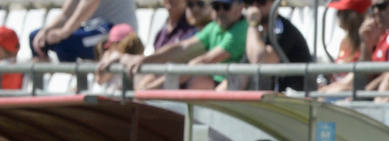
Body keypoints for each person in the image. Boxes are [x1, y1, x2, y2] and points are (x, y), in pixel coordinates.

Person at [115, 0, 248, 91]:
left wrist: (150, 89)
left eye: (225, 7)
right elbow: (182, 47)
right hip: (213, 87)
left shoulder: (241, 29)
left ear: (241, 7)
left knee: (198, 81)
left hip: (230, 91)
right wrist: (143, 60)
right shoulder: (214, 26)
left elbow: (204, 61)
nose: (220, 11)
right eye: (216, 6)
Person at [30, 0, 137, 62]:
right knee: (35, 37)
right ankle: (41, 86)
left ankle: (78, 88)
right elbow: (65, 14)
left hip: (118, 33)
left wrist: (63, 33)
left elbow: (91, 3)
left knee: (63, 43)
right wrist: (46, 31)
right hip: (96, 27)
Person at [244, 0, 313, 92]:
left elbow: (260, 60)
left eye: (261, 2)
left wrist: (253, 23)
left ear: (274, 3)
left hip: (294, 100)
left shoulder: (285, 29)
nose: (254, 7)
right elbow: (243, 71)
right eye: (250, 2)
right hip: (271, 99)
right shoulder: (257, 34)